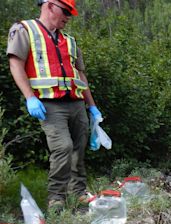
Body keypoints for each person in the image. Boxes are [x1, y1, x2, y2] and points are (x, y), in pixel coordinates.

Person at [7, 0, 102, 211]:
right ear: (50, 6)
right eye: (65, 11)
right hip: (49, 104)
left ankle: (78, 193)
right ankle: (56, 198)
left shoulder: (70, 41)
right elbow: (15, 64)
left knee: (79, 147)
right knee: (63, 147)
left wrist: (92, 107)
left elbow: (81, 75)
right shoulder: (24, 30)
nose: (68, 17)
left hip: (76, 103)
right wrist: (29, 97)